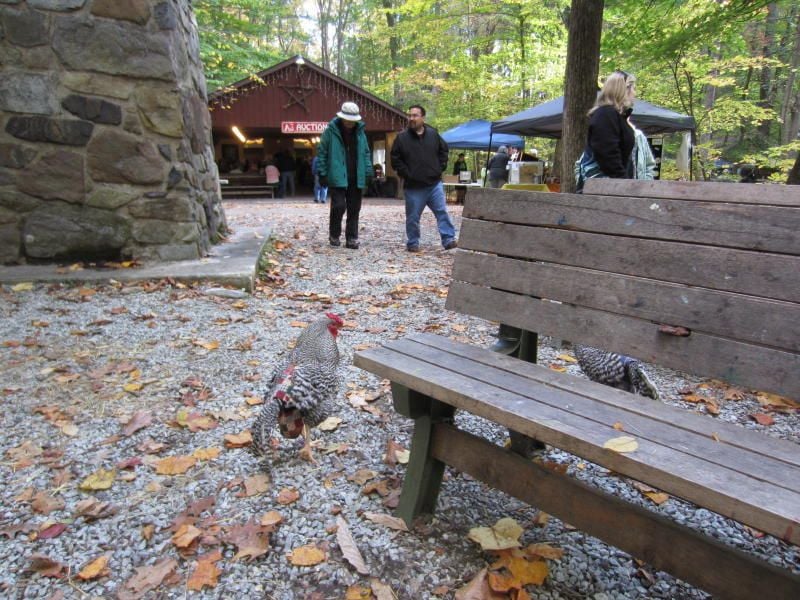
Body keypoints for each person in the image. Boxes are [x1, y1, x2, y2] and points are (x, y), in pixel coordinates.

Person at [390, 104, 457, 252]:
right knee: (413, 217)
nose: (411, 118)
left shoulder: (433, 134)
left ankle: (448, 239)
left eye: (415, 115)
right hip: (413, 187)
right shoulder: (402, 138)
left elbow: (443, 150)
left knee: (442, 212)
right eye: (410, 115)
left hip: (434, 184)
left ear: (423, 118)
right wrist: (406, 173)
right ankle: (413, 242)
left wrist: (440, 167)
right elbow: (395, 159)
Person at [317, 101, 371, 249]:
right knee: (338, 206)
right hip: (337, 175)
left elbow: (366, 153)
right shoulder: (330, 131)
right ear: (342, 117)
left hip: (356, 176)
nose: (349, 123)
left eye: (352, 120)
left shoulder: (360, 133)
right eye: (347, 119)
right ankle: (334, 234)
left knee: (354, 208)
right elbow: (322, 153)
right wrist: (322, 173)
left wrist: (368, 172)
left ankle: (352, 238)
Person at [575, 70, 637, 192]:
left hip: (609, 187)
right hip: (602, 188)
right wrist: (624, 184)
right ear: (625, 89)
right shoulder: (606, 115)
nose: (635, 93)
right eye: (633, 88)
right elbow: (608, 154)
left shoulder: (614, 117)